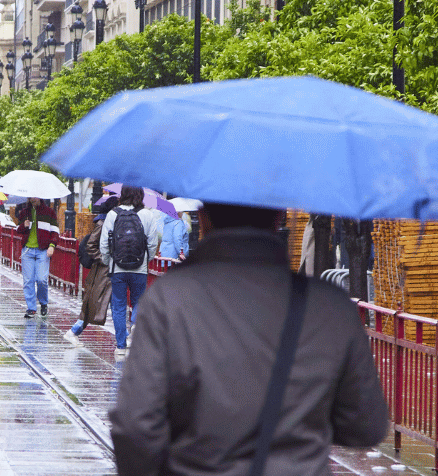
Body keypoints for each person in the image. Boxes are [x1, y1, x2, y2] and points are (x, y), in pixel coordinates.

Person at [109, 203, 389, 475]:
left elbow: (135, 427)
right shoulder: (330, 306)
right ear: (279, 216)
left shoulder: (170, 300)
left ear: (204, 218)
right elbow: (366, 426)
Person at [99, 186, 160, 355]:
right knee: (139, 301)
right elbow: (153, 243)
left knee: (118, 306)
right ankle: (134, 324)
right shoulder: (147, 214)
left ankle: (120, 346)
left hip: (117, 267)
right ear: (140, 195)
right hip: (139, 268)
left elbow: (104, 243)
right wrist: (146, 260)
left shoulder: (113, 214)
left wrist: (108, 261)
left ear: (122, 195)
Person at [64, 196, 117, 346]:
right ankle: (74, 331)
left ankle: (74, 331)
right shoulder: (103, 223)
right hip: (103, 271)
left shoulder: (111, 222)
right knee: (96, 304)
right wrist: (104, 259)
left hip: (109, 270)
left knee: (111, 303)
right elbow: (91, 245)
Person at [15, 197, 59, 318]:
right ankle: (31, 308)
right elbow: (18, 230)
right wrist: (24, 225)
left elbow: (55, 232)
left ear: (39, 196)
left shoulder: (49, 212)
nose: (31, 199)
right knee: (28, 280)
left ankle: (44, 302)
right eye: (29, 197)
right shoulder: (24, 212)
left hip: (43, 251)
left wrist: (52, 246)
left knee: (41, 279)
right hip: (28, 250)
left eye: (33, 197)